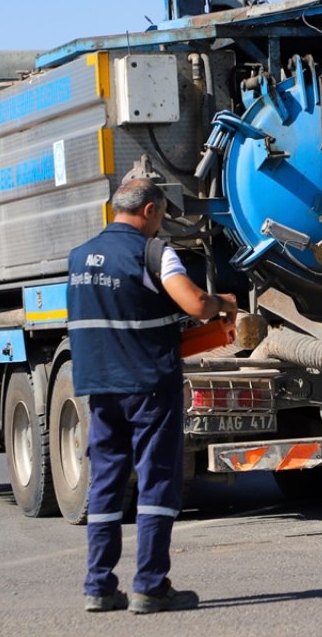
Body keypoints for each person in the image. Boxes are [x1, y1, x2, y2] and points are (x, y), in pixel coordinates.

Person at [68, 179, 236, 613]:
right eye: (160, 215)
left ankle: (98, 587)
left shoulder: (79, 257)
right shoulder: (154, 252)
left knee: (105, 483)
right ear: (148, 211)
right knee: (157, 480)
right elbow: (195, 304)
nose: (160, 223)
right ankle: (150, 585)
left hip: (100, 387)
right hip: (148, 385)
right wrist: (223, 303)